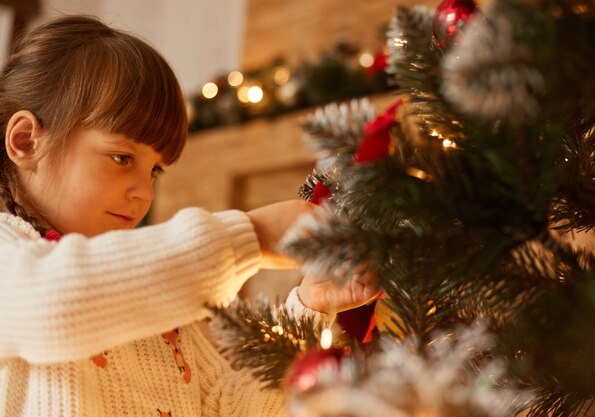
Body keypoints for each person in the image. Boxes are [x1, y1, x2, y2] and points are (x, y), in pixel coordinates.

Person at [0, 15, 378, 417]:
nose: (145, 191)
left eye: (155, 170)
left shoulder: (152, 295)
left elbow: (226, 406)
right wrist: (254, 234)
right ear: (26, 141)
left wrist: (310, 307)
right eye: (121, 157)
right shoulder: (12, 255)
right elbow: (57, 301)